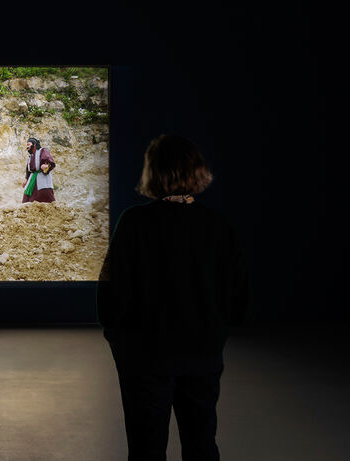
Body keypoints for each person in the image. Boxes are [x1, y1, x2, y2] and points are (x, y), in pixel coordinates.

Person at [97, 134, 249, 461]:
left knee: (146, 448)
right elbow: (238, 297)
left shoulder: (134, 223)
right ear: (197, 171)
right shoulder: (219, 227)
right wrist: (214, 333)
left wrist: (118, 339)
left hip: (145, 359)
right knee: (201, 443)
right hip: (203, 355)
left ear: (152, 172)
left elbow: (111, 292)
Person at [21, 137, 55, 203]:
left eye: (28, 144)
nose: (27, 146)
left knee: (44, 194)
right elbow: (28, 170)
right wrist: (26, 180)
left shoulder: (42, 151)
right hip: (32, 179)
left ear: (34, 144)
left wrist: (46, 165)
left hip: (42, 177)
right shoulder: (30, 156)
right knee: (27, 198)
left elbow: (49, 160)